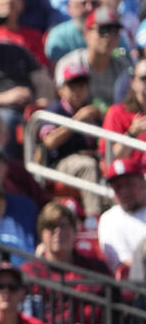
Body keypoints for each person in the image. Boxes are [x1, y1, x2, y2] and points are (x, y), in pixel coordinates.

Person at [22, 201, 110, 324]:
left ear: (75, 231)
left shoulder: (95, 268)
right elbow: (35, 318)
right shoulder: (31, 272)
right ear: (41, 234)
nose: (58, 232)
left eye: (64, 226)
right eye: (51, 227)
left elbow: (113, 305)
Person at [40, 56, 105, 216]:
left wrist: (103, 118)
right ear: (60, 88)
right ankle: (94, 218)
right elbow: (49, 141)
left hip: (92, 158)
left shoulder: (91, 109)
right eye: (73, 85)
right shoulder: (54, 110)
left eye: (82, 84)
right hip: (60, 163)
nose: (79, 90)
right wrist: (77, 120)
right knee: (87, 165)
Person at [60, 6, 132, 108]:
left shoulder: (123, 66)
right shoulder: (70, 63)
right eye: (103, 30)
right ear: (86, 34)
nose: (108, 36)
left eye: (114, 30)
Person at [97, 158, 146, 275]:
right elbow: (124, 266)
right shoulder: (109, 219)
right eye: (118, 186)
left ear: (142, 182)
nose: (124, 191)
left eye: (129, 183)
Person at [102, 57, 146, 169]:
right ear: (133, 82)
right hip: (129, 180)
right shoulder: (116, 113)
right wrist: (132, 133)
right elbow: (110, 159)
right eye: (144, 78)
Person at [45, 0, 97, 65]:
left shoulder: (110, 32)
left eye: (94, 3)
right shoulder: (59, 36)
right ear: (70, 7)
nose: (89, 8)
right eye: (83, 3)